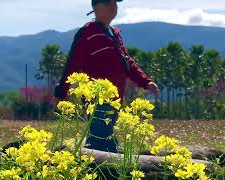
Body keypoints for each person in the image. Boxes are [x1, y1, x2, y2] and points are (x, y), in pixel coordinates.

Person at [54, 0, 159, 153]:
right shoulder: (87, 33)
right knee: (100, 144)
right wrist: (61, 93)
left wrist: (146, 82)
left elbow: (127, 62)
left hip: (116, 101)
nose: (113, 7)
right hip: (97, 101)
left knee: (105, 142)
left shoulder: (114, 33)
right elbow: (72, 64)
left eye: (115, 3)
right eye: (108, 3)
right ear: (96, 7)